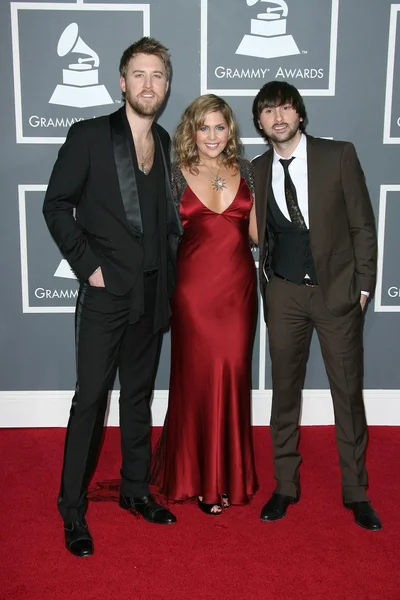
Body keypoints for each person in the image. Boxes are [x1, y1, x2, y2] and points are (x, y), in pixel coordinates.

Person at [43, 37, 183, 558]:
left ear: (167, 86)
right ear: (122, 82)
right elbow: (56, 206)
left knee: (140, 398)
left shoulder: (166, 141)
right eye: (139, 75)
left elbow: (165, 223)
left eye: (158, 76)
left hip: (150, 295)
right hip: (105, 297)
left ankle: (135, 490)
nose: (149, 84)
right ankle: (72, 509)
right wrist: (89, 266)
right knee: (91, 401)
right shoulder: (89, 137)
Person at [252, 80, 381, 530]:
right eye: (268, 111)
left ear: (300, 115)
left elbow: (363, 224)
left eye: (286, 108)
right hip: (284, 293)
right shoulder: (256, 169)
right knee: (284, 394)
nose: (278, 117)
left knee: (347, 393)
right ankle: (285, 484)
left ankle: (356, 491)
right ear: (261, 122)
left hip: (337, 292)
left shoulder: (337, 154)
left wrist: (364, 286)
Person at [152, 94, 259, 515]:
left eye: (219, 127)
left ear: (229, 130)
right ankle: (198, 480)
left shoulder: (247, 170)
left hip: (238, 293)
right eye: (203, 127)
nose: (212, 136)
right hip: (194, 293)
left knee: (232, 375)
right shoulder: (175, 173)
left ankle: (228, 476)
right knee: (196, 380)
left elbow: (257, 234)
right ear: (191, 131)